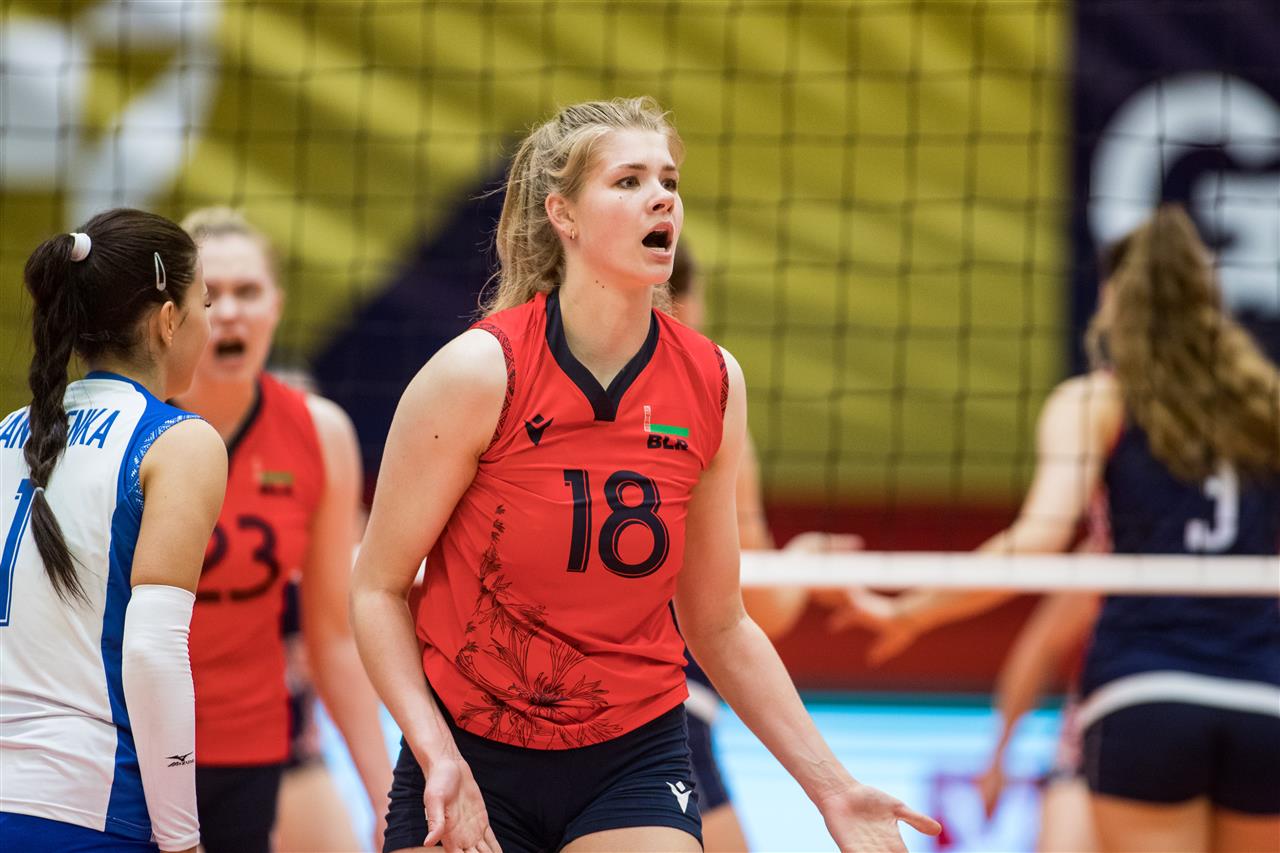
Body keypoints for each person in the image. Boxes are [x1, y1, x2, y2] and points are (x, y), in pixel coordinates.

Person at [349, 96, 941, 853]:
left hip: (633, 751)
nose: (662, 196)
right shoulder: (479, 372)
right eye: (628, 181)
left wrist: (834, 787)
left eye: (668, 180)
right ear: (563, 214)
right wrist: (437, 756)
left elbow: (718, 622)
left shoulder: (711, 381)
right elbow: (377, 589)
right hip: (470, 747)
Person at [835, 205, 1280, 853]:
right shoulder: (1267, 406)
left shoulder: (1097, 400)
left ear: (1115, 299)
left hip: (1146, 689)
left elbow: (1036, 542)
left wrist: (912, 610)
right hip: (1265, 696)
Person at [0, 209, 225, 852]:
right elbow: (153, 651)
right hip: (87, 807)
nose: (210, 323)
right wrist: (182, 839)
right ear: (168, 321)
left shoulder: (8, 431)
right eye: (205, 304)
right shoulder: (178, 442)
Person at [173, 208, 391, 853]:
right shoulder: (128, 426)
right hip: (129, 743)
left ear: (276, 305)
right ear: (170, 314)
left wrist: (387, 799)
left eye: (248, 292)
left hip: (251, 744)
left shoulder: (319, 434)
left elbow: (332, 637)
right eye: (209, 295)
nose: (229, 313)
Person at [668, 239, 862, 852]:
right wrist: (804, 562)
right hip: (659, 714)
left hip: (506, 714)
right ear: (684, 303)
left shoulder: (499, 378)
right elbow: (754, 609)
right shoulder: (705, 403)